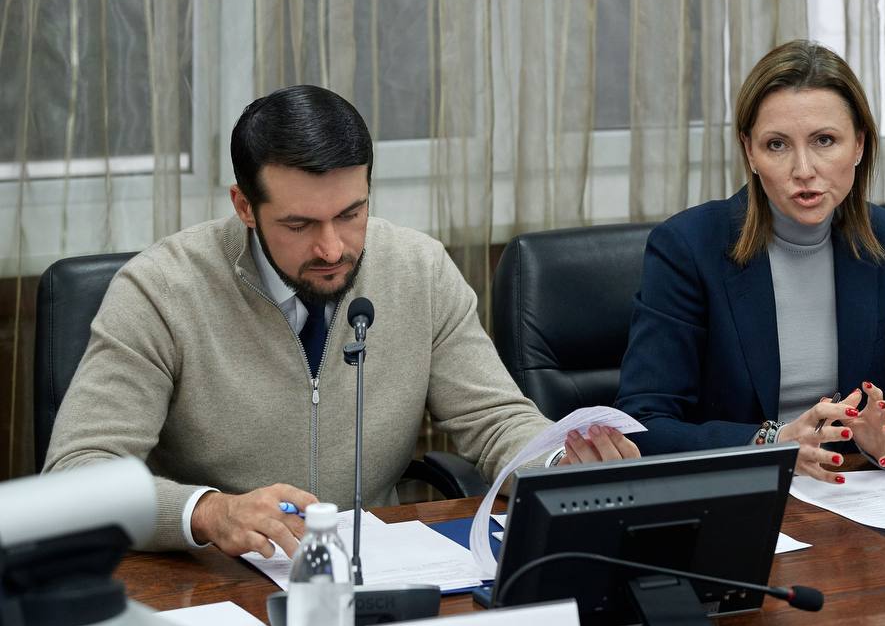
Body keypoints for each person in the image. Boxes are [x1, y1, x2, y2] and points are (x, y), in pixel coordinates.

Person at [43, 85, 637, 558]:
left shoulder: (420, 269)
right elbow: (77, 474)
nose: (332, 248)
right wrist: (209, 512)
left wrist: (558, 464)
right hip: (214, 578)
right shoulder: (160, 289)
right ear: (245, 206)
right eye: (299, 225)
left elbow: (494, 420)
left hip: (376, 565)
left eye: (351, 214)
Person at [615, 40, 885, 481]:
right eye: (777, 144)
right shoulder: (688, 247)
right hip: (739, 492)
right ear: (750, 152)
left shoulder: (883, 238)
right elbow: (643, 422)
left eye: (824, 140)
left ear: (859, 144)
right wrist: (771, 443)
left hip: (850, 491)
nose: (803, 169)